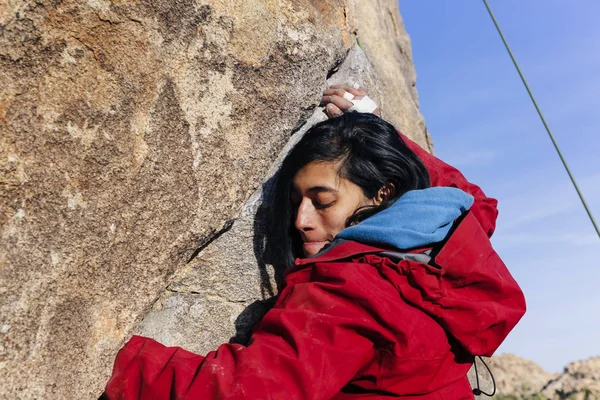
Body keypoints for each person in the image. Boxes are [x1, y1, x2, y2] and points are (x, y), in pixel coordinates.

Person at [100, 84, 526, 399]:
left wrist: (109, 358)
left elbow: (246, 392)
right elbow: (474, 199)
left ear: (382, 193)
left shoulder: (352, 291)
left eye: (322, 201)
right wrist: (374, 128)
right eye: (295, 202)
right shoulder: (446, 240)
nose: (301, 221)